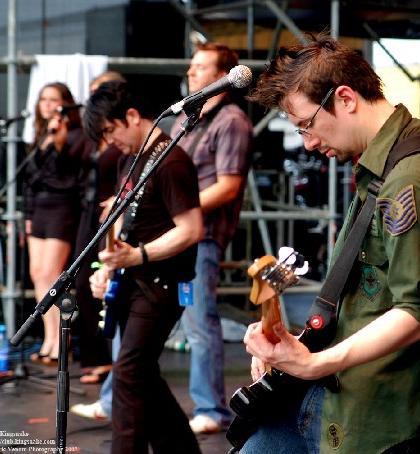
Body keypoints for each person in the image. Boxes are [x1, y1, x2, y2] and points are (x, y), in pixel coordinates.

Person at [238, 33, 420, 453]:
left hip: (377, 416)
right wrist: (293, 348)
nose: (308, 142)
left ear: (345, 98)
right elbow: (367, 301)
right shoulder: (382, 169)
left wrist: (314, 363)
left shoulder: (412, 177)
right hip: (335, 399)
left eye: (307, 125)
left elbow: (418, 312)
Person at [84, 80, 203, 453]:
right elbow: (122, 219)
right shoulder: (129, 160)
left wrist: (137, 256)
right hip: (133, 282)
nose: (108, 142)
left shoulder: (172, 161)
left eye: (108, 131)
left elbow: (192, 229)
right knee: (142, 375)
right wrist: (108, 265)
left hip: (162, 286)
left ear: (132, 116)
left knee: (130, 374)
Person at [169, 42, 254, 434]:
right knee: (147, 317)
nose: (191, 72)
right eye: (191, 65)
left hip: (200, 236)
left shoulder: (232, 120)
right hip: (172, 234)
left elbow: (228, 187)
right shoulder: (187, 118)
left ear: (223, 77)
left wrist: (180, 210)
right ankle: (112, 396)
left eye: (201, 66)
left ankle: (211, 408)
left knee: (200, 321)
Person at [24, 82, 87, 365]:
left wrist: (60, 146)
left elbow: (71, 180)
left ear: (65, 104)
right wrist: (27, 215)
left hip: (61, 208)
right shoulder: (40, 135)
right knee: (37, 273)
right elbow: (29, 180)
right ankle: (49, 336)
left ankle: (63, 339)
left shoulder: (75, 136)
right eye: (43, 99)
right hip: (39, 209)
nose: (47, 105)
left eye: (53, 100)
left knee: (52, 273)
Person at [73, 71, 125, 384]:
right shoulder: (94, 136)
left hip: (110, 215)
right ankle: (94, 357)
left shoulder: (121, 139)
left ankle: (106, 361)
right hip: (87, 212)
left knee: (104, 283)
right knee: (82, 283)